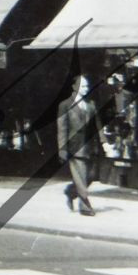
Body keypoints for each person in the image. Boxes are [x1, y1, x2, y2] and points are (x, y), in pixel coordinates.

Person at [58, 73, 98, 216]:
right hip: (73, 147)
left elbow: (96, 126)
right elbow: (62, 128)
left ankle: (70, 191)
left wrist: (104, 143)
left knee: (92, 175)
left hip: (89, 147)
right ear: (74, 87)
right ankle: (85, 206)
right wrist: (62, 148)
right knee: (81, 174)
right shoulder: (65, 105)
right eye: (83, 85)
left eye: (87, 85)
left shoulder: (91, 105)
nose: (86, 88)